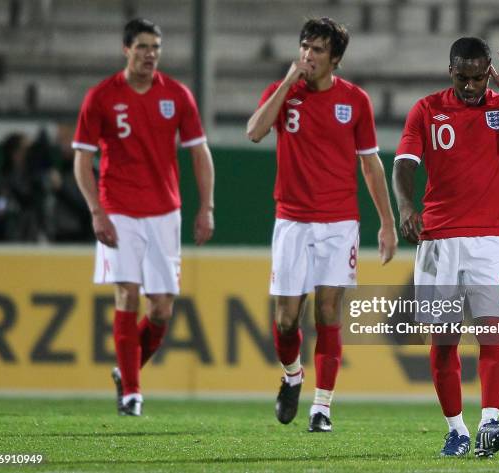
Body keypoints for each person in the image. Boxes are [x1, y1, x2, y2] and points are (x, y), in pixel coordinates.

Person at [392, 37, 499, 457]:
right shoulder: (427, 110)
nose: (470, 86)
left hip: (490, 241)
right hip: (439, 242)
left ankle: (488, 425)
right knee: (443, 342)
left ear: (489, 74)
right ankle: (456, 430)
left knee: (491, 335)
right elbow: (404, 165)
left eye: (478, 77)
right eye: (462, 77)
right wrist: (407, 205)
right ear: (450, 71)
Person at [247, 17, 398, 432]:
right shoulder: (284, 94)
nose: (307, 56)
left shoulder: (356, 101)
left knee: (329, 312)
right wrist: (285, 83)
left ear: (335, 59)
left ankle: (322, 407)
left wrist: (387, 223)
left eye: (316, 50)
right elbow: (255, 132)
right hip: (291, 221)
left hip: (338, 222)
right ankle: (293, 374)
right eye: (304, 47)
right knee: (285, 320)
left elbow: (370, 165)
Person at [73, 18, 215, 416]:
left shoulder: (177, 95)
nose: (150, 54)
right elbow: (82, 160)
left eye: (156, 47)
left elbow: (199, 152)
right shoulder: (101, 97)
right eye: (142, 47)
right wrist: (96, 211)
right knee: (127, 294)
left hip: (164, 212)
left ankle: (126, 370)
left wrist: (206, 207)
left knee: (161, 310)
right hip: (118, 210)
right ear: (126, 50)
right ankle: (133, 393)